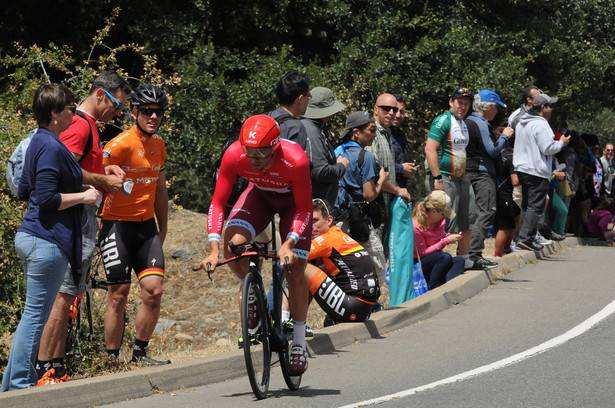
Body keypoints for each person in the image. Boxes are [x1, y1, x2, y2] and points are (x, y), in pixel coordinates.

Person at [2, 83, 101, 391]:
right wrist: (83, 198)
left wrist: (76, 190)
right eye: (70, 108)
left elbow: (30, 190)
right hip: (46, 240)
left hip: (36, 237)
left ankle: (12, 385)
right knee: (35, 316)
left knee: (32, 315)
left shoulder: (41, 141)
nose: (74, 112)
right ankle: (20, 384)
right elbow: (45, 198)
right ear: (55, 114)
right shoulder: (50, 146)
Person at [35, 71, 131, 385]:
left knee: (70, 293)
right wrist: (103, 181)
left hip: (81, 216)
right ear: (101, 95)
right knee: (63, 294)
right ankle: (45, 367)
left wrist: (104, 167)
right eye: (118, 104)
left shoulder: (88, 124)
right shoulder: (79, 124)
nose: (119, 113)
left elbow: (81, 163)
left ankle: (56, 366)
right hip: (74, 217)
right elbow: (64, 168)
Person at [200, 114, 313, 375]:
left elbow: (305, 208)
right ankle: (253, 292)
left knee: (294, 269)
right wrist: (214, 249)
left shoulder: (295, 160)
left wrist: (289, 243)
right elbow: (218, 203)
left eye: (262, 152)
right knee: (233, 245)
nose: (254, 158)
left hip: (293, 207)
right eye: (249, 151)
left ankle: (297, 342)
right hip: (260, 197)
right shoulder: (233, 155)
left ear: (275, 146)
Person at [99, 84, 171, 365]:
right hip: (116, 226)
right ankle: (112, 359)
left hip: (146, 227)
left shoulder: (159, 145)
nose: (154, 117)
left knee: (154, 291)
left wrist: (163, 228)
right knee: (118, 295)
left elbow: (161, 189)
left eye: (159, 112)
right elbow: (95, 172)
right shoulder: (119, 145)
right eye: (147, 111)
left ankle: (139, 354)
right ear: (133, 111)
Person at [335, 111, 389, 285]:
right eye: (371, 130)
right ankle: (370, 302)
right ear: (356, 132)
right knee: (376, 263)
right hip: (358, 221)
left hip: (337, 219)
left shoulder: (337, 152)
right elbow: (369, 194)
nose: (375, 135)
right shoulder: (366, 157)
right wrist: (382, 179)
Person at [424, 87, 476, 269]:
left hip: (461, 178)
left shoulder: (463, 123)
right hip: (444, 177)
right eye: (460, 102)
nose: (463, 106)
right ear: (451, 102)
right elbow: (430, 149)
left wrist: (465, 175)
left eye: (466, 104)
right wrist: (437, 179)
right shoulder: (443, 120)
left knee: (469, 216)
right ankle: (437, 260)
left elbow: (460, 151)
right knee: (445, 219)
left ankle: (464, 258)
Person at [306, 199, 380, 326]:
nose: (310, 227)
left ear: (329, 220)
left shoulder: (325, 240)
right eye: (307, 222)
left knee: (299, 265)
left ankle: (291, 321)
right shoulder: (339, 235)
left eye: (314, 221)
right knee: (320, 268)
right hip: (365, 307)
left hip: (353, 306)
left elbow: (293, 255)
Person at [513, 93, 570, 251]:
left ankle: (522, 238)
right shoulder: (541, 124)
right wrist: (561, 143)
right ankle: (526, 238)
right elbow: (547, 148)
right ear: (542, 108)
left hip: (522, 168)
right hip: (536, 169)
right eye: (550, 106)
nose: (551, 109)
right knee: (536, 206)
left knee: (527, 205)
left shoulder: (522, 123)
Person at [465, 90, 513, 268]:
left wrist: (494, 133)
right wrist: (504, 137)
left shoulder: (469, 121)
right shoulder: (480, 123)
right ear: (489, 106)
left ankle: (468, 253)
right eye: (497, 107)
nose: (497, 112)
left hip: (471, 172)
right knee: (487, 211)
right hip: (482, 174)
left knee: (475, 213)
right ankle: (474, 254)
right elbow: (492, 150)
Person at [366, 93, 412, 247]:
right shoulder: (373, 134)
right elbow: (374, 176)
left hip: (386, 207)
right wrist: (398, 190)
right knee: (375, 253)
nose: (391, 113)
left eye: (394, 109)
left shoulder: (386, 134)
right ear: (376, 109)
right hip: (374, 210)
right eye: (386, 108)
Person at [301, 86, 348, 203]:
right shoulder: (313, 134)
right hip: (317, 207)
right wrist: (341, 167)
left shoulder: (312, 127)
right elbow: (320, 171)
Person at [412, 191, 465, 290]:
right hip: (420, 264)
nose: (445, 217)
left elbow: (438, 237)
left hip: (437, 260)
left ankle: (450, 288)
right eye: (443, 214)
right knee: (445, 257)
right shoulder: (416, 226)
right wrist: (445, 241)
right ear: (434, 211)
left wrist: (448, 236)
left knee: (460, 260)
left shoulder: (440, 221)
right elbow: (422, 253)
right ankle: (433, 288)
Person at [266, 71, 312, 149]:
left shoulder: (265, 118)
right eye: (308, 96)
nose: (308, 100)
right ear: (300, 99)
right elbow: (296, 160)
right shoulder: (295, 127)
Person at [390, 94, 417, 189]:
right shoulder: (379, 134)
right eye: (395, 110)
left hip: (401, 188)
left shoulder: (401, 135)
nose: (398, 115)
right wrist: (401, 169)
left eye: (401, 112)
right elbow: (379, 165)